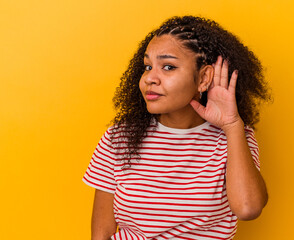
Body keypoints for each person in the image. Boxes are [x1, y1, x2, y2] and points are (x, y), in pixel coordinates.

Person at [83, 15, 271, 240]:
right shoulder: (119, 138)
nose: (150, 78)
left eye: (168, 66)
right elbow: (101, 233)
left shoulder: (234, 137)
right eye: (148, 66)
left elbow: (248, 208)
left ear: (204, 78)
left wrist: (231, 125)